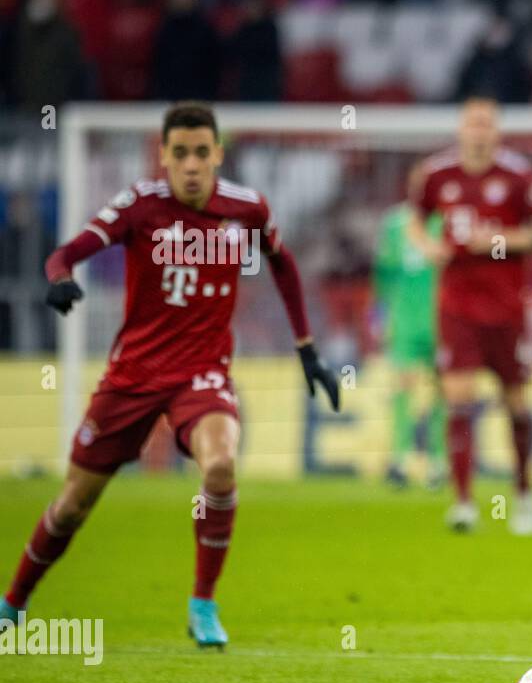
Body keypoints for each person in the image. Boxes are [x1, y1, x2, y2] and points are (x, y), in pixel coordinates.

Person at [0, 101, 339, 648]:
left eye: (201, 153)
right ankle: (12, 603)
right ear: (164, 155)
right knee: (72, 505)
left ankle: (203, 603)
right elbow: (68, 251)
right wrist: (60, 278)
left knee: (222, 464)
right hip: (132, 375)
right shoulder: (140, 205)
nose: (189, 164)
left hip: (202, 373)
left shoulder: (246, 208)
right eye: (179, 153)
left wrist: (306, 349)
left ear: (217, 155)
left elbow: (283, 261)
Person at [409, 97, 532, 534]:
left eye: (486, 124)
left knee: (516, 403)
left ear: (497, 131)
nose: (478, 132)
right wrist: (426, 245)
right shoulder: (437, 175)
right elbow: (416, 219)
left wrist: (496, 240)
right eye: (472, 124)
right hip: (457, 307)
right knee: (458, 400)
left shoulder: (518, 176)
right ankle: (462, 502)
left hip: (508, 309)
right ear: (460, 129)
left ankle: (526, 493)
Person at [373, 199, 447, 489]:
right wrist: (378, 313)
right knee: (404, 384)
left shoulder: (447, 220)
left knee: (443, 389)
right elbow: (383, 273)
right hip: (404, 317)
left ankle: (438, 462)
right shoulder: (395, 223)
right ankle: (400, 460)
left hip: (441, 317)